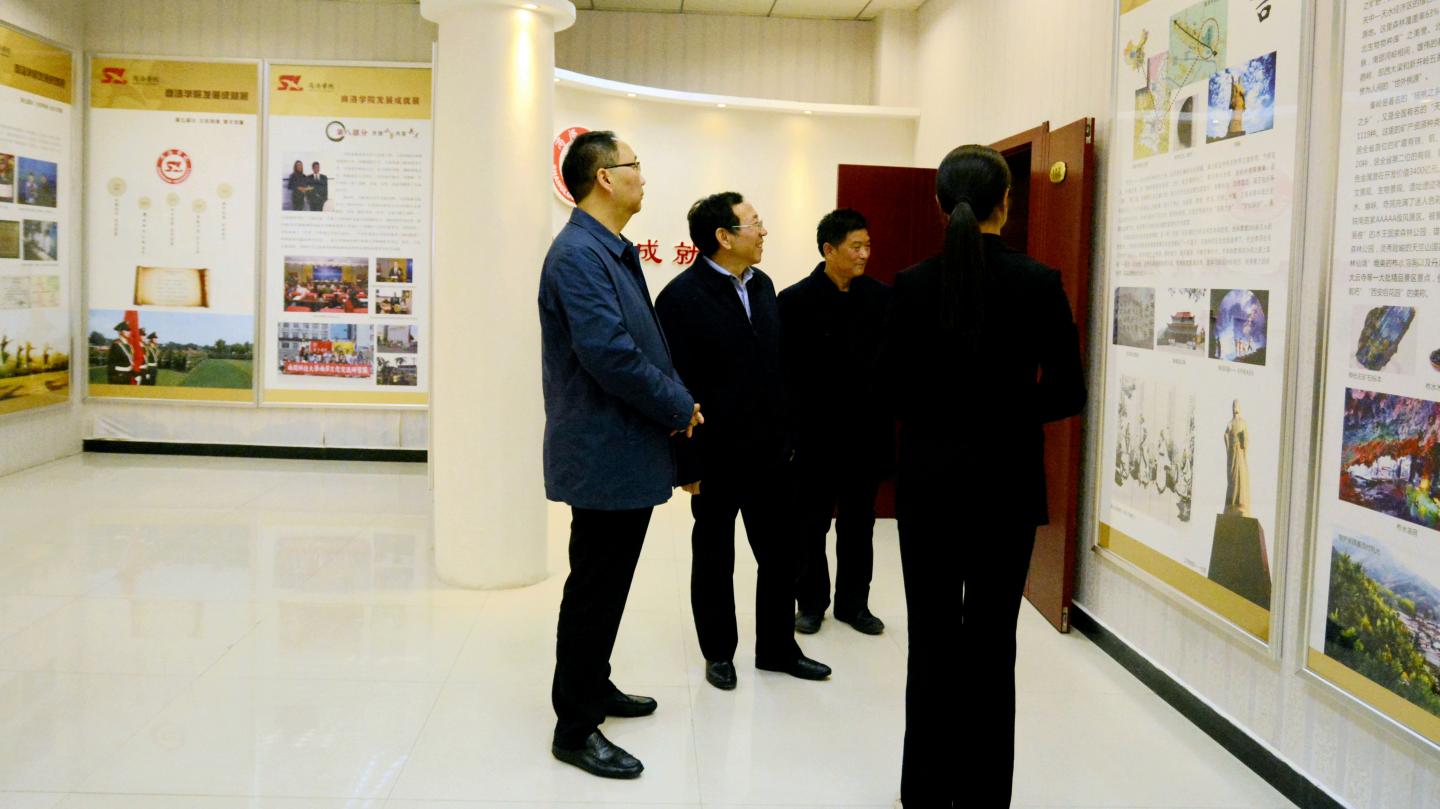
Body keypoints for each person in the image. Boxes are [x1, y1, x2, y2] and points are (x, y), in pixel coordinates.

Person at [882, 144, 1085, 808]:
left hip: (929, 485)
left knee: (931, 639)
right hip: (1006, 484)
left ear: (940, 205)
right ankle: (984, 795)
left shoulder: (910, 284)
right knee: (994, 645)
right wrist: (1007, 410)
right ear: (1007, 202)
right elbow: (1069, 391)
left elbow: (891, 391)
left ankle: (924, 790)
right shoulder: (1038, 281)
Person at [539, 130, 702, 780]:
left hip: (622, 446)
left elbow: (639, 343)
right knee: (594, 588)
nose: (643, 177)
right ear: (605, 177)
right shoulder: (579, 254)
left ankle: (594, 683)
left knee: (607, 585)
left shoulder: (607, 248)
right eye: (635, 165)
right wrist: (676, 403)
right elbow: (609, 354)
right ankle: (575, 727)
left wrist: (673, 399)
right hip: (603, 448)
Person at [655, 191, 831, 692]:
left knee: (780, 554)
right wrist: (686, 462)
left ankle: (777, 648)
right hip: (715, 455)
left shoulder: (763, 285)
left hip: (771, 453)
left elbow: (776, 366)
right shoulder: (680, 298)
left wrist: (790, 435)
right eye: (754, 223)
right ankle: (718, 652)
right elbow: (675, 385)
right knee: (715, 556)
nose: (764, 231)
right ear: (724, 237)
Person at [779, 208, 892, 637]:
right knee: (809, 524)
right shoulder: (793, 302)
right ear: (829, 249)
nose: (864, 254)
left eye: (868, 246)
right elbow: (783, 375)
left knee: (859, 524)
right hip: (813, 435)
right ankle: (810, 603)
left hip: (865, 434)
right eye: (855, 247)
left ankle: (854, 604)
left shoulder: (881, 299)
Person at [106, 321, 136, 385]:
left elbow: (129, 363)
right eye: (126, 330)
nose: (129, 332)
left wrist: (134, 374)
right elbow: (111, 365)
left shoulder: (129, 345)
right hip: (119, 377)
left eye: (129, 330)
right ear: (120, 331)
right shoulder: (116, 345)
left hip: (128, 376)